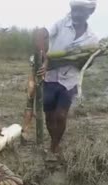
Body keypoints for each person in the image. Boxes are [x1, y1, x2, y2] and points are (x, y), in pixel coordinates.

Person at [40, 0, 99, 160]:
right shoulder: (60, 25)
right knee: (49, 116)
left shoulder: (92, 39)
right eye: (75, 10)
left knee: (61, 116)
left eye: (81, 11)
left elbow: (88, 62)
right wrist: (44, 58)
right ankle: (54, 140)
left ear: (89, 13)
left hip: (70, 80)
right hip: (50, 77)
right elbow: (44, 39)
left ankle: (54, 146)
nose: (77, 14)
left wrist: (74, 60)